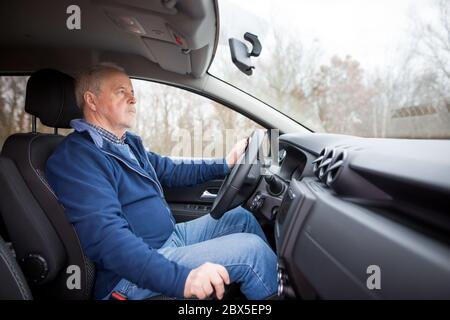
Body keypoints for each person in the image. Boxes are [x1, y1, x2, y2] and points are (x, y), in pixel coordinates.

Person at [45, 63, 277, 300]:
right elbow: (107, 239)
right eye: (121, 92)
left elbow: (171, 170)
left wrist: (225, 163)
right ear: (91, 101)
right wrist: (181, 279)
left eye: (133, 93)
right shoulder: (77, 157)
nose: (133, 99)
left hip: (170, 238)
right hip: (127, 277)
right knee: (252, 252)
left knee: (241, 218)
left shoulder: (127, 144)